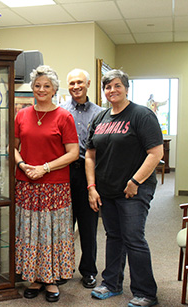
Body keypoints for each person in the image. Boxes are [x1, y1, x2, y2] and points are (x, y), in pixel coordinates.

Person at [86, 69, 163, 307]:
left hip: (134, 190)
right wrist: (91, 187)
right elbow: (90, 155)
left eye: (117, 86)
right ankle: (111, 283)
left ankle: (145, 292)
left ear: (126, 88)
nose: (112, 90)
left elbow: (155, 153)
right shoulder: (101, 118)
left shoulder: (141, 115)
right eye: (108, 87)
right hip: (106, 189)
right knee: (114, 237)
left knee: (133, 238)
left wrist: (135, 182)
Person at [14, 65, 79, 303]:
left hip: (55, 186)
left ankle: (51, 280)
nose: (41, 89)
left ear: (54, 90)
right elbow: (12, 146)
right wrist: (23, 166)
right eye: (37, 85)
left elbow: (73, 152)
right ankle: (33, 278)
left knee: (52, 233)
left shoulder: (64, 116)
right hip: (26, 183)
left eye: (46, 86)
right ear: (32, 88)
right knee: (30, 232)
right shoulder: (21, 115)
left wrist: (45, 168)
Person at [60, 68, 103, 289]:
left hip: (88, 172)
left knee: (88, 225)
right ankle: (63, 269)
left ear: (88, 83)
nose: (76, 86)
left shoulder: (100, 113)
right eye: (71, 83)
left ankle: (88, 271)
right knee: (63, 225)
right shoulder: (60, 110)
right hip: (63, 172)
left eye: (80, 82)